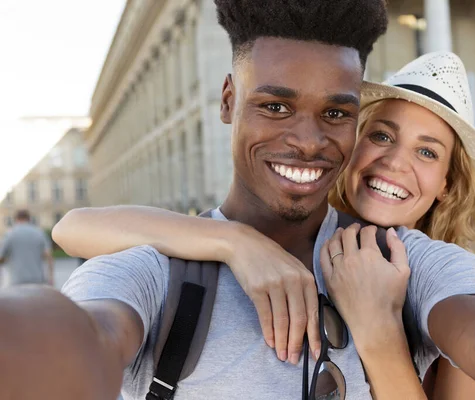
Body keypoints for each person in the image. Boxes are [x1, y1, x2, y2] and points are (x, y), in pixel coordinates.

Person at [53, 53, 475, 399]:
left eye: (427, 151)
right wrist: (236, 241)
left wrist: (377, 327)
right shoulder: (296, 237)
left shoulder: (439, 273)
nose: (392, 162)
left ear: (447, 186)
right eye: (380, 135)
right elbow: (74, 227)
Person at [0, 0, 398, 399]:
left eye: (335, 113)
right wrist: (234, 242)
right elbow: (88, 335)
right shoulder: (157, 274)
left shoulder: (396, 260)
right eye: (275, 107)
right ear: (228, 101)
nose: (309, 142)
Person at [0, 209, 54, 287]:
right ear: (29, 219)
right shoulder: (40, 233)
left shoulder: (9, 234)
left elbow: (1, 257)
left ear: (15, 219)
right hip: (37, 280)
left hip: (16, 281)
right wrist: (51, 278)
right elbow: (49, 256)